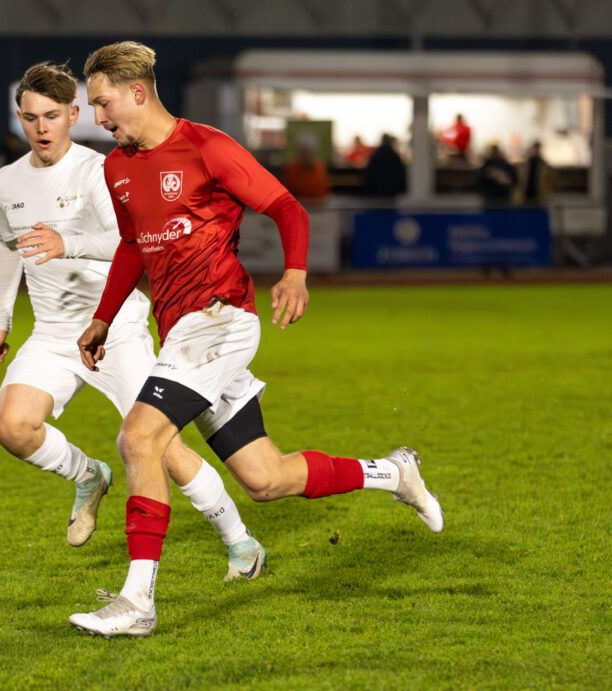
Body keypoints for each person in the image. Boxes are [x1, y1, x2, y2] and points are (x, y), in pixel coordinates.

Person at [70, 41, 443, 638]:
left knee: (139, 438)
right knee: (265, 478)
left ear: (137, 92)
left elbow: (286, 207)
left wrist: (294, 270)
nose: (99, 117)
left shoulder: (206, 146)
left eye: (103, 102)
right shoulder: (118, 167)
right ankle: (392, 473)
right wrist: (103, 317)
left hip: (220, 320)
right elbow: (134, 246)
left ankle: (138, 602)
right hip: (182, 335)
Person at [0, 61, 266, 582]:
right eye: (29, 118)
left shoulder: (100, 170)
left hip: (115, 331)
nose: (40, 128)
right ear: (18, 119)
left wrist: (66, 243)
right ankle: (89, 475)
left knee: (166, 450)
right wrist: (1, 318)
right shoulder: (7, 181)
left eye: (51, 116)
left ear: (73, 115)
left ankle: (239, 539)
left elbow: (129, 244)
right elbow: (7, 245)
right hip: (50, 332)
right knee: (11, 425)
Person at [363, 133, 407, 198]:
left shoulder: (376, 154)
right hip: (391, 191)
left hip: (375, 191)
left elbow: (369, 172)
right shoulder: (393, 155)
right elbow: (401, 173)